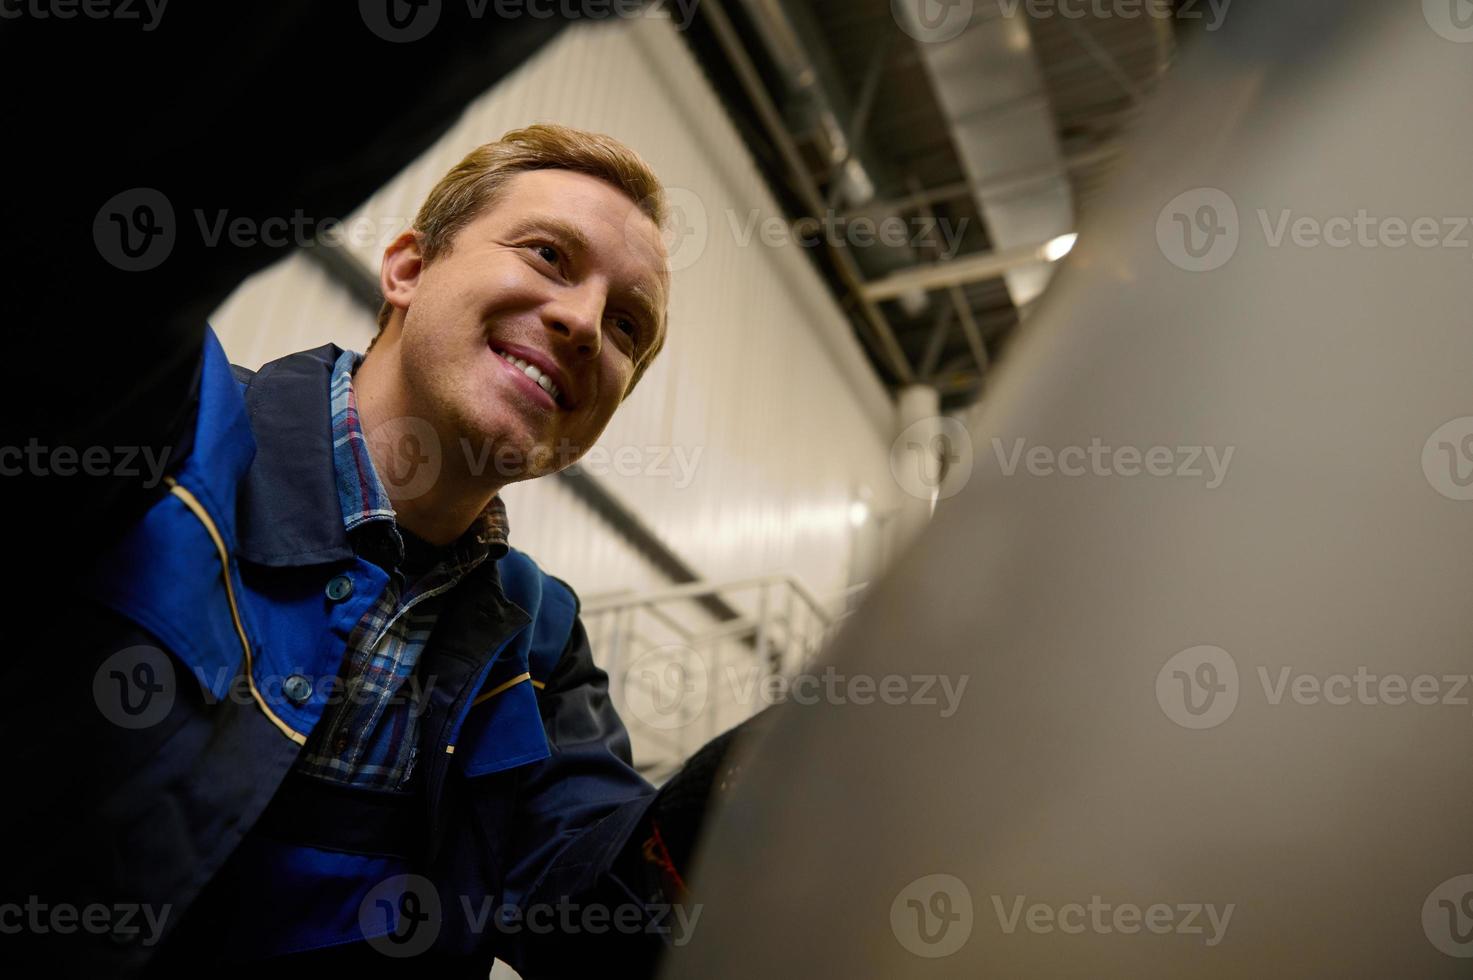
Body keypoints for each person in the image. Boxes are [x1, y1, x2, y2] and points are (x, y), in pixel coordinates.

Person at [4, 118, 759, 978]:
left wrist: (765, 785)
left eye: (628, 326)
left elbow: (591, 922)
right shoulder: (166, 437)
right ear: (407, 268)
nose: (586, 324)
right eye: (549, 255)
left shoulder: (541, 641)